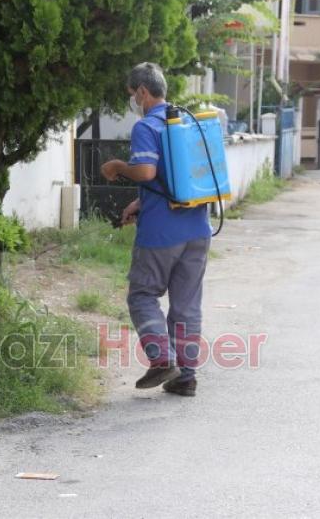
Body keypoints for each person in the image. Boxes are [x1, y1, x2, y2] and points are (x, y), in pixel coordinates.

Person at [100, 62, 211, 397]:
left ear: (143, 92)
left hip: (162, 234)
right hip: (197, 228)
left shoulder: (147, 126)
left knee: (142, 295)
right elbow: (174, 178)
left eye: (133, 95)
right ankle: (185, 377)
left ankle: (162, 359)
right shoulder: (185, 122)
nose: (133, 101)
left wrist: (119, 166)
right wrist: (139, 203)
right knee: (186, 306)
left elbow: (147, 172)